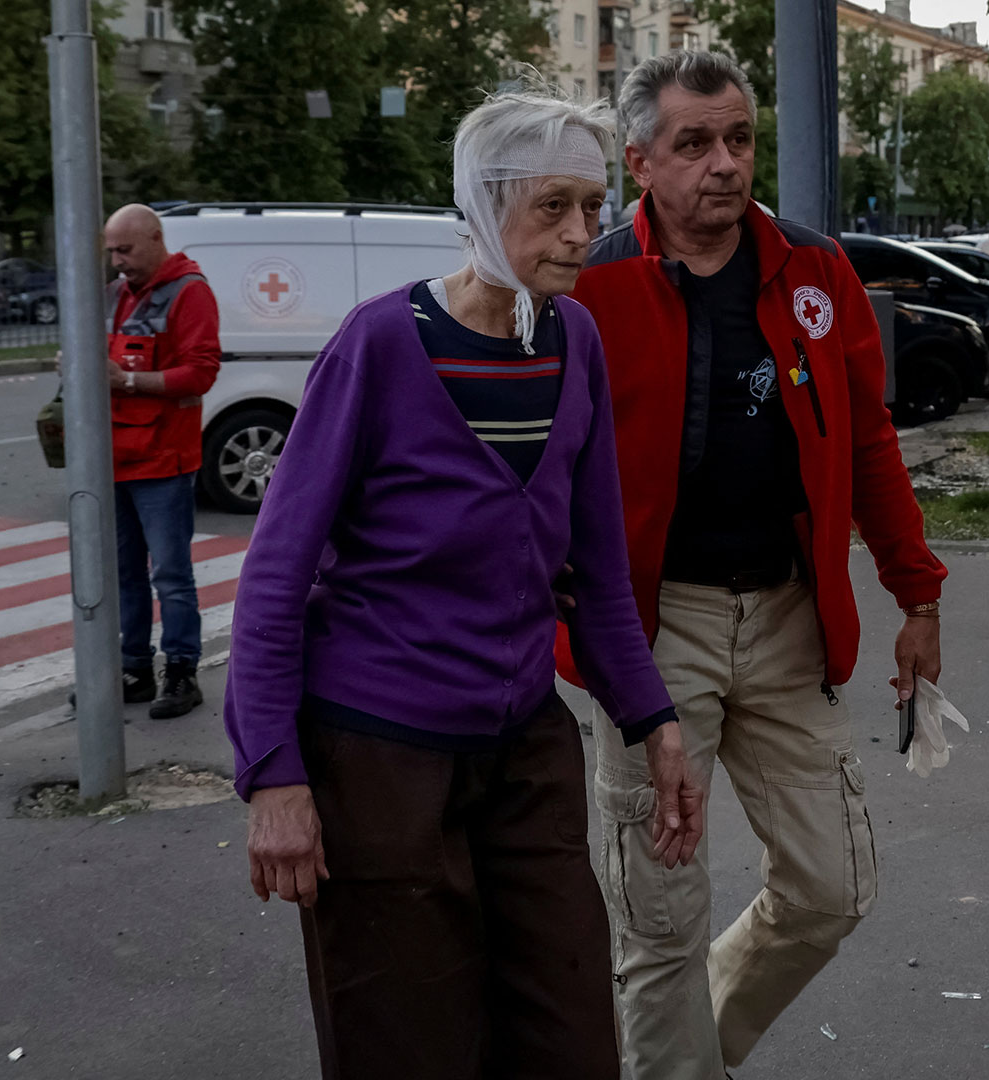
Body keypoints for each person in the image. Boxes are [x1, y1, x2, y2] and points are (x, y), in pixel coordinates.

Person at [226, 90, 701, 1078]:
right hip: (379, 761)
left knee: (569, 1039)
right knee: (410, 1044)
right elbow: (273, 579)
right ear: (486, 211)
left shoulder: (575, 346)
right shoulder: (381, 346)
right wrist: (274, 774)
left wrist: (655, 725)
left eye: (593, 205)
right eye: (553, 208)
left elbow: (600, 577)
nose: (583, 234)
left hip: (524, 754)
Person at [566, 51, 947, 1079]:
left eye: (738, 139)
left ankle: (686, 1056)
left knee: (832, 890)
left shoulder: (815, 271)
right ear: (642, 162)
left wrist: (917, 594)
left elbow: (867, 443)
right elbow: (541, 481)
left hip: (787, 621)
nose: (725, 165)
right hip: (651, 637)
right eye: (695, 145)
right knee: (659, 925)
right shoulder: (590, 287)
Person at [98, 204, 220, 718]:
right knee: (123, 574)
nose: (117, 261)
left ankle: (181, 673)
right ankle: (135, 670)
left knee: (170, 575)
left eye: (124, 250)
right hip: (115, 459)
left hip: (163, 461)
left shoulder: (190, 291)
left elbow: (199, 373)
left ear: (154, 239)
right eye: (110, 252)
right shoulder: (119, 295)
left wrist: (125, 382)